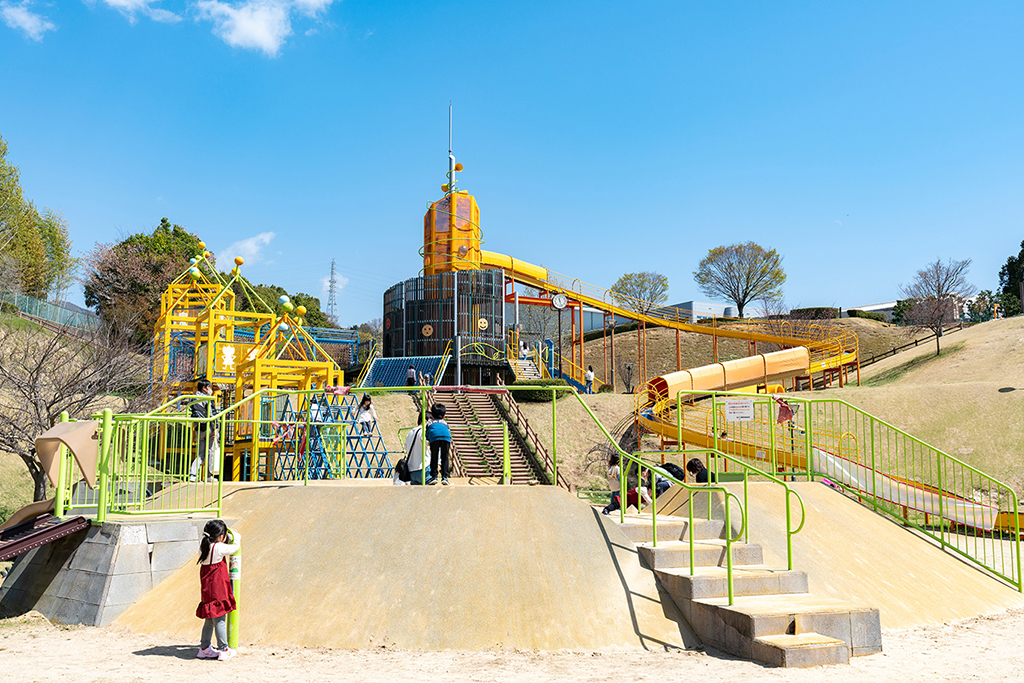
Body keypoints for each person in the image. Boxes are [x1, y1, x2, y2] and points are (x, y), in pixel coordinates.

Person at [195, 519, 239, 661]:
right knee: (220, 618)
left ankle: (204, 648)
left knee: (209, 618)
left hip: (207, 587)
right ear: (220, 536)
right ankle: (224, 649)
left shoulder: (205, 546)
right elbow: (234, 548)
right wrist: (236, 538)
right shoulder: (219, 548)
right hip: (217, 587)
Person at [189, 379, 219, 482]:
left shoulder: (192, 398)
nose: (210, 389)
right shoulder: (208, 399)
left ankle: (192, 474)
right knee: (211, 451)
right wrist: (215, 428)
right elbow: (212, 413)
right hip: (208, 427)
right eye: (209, 387)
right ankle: (209, 475)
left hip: (199, 428)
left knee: (201, 453)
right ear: (204, 388)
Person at [425, 402, 451, 485]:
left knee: (434, 456)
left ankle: (434, 476)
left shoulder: (429, 423)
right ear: (444, 416)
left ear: (431, 415)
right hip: (446, 438)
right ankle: (445, 477)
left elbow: (427, 434)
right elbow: (448, 431)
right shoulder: (445, 423)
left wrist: (429, 441)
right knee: (445, 457)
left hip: (434, 437)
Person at [403, 410, 430, 485]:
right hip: (423, 468)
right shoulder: (423, 431)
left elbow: (406, 448)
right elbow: (428, 443)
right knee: (429, 494)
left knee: (416, 495)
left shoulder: (411, 432)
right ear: (425, 421)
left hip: (411, 470)